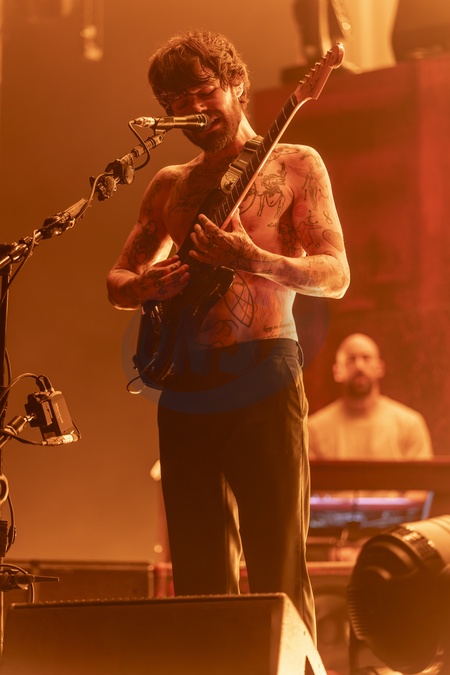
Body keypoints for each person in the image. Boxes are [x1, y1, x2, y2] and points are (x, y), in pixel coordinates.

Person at [106, 30, 350, 641]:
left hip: (265, 369)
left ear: (237, 83)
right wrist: (146, 285)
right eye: (175, 101)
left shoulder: (296, 163)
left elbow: (336, 274)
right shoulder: (169, 183)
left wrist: (254, 259)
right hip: (184, 382)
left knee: (278, 562)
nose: (192, 108)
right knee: (197, 571)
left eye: (203, 91)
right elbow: (117, 281)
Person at [308, 333, 433, 461]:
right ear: (337, 371)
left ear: (380, 368)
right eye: (351, 359)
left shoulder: (410, 425)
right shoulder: (313, 431)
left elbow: (421, 474)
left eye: (366, 358)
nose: (359, 366)